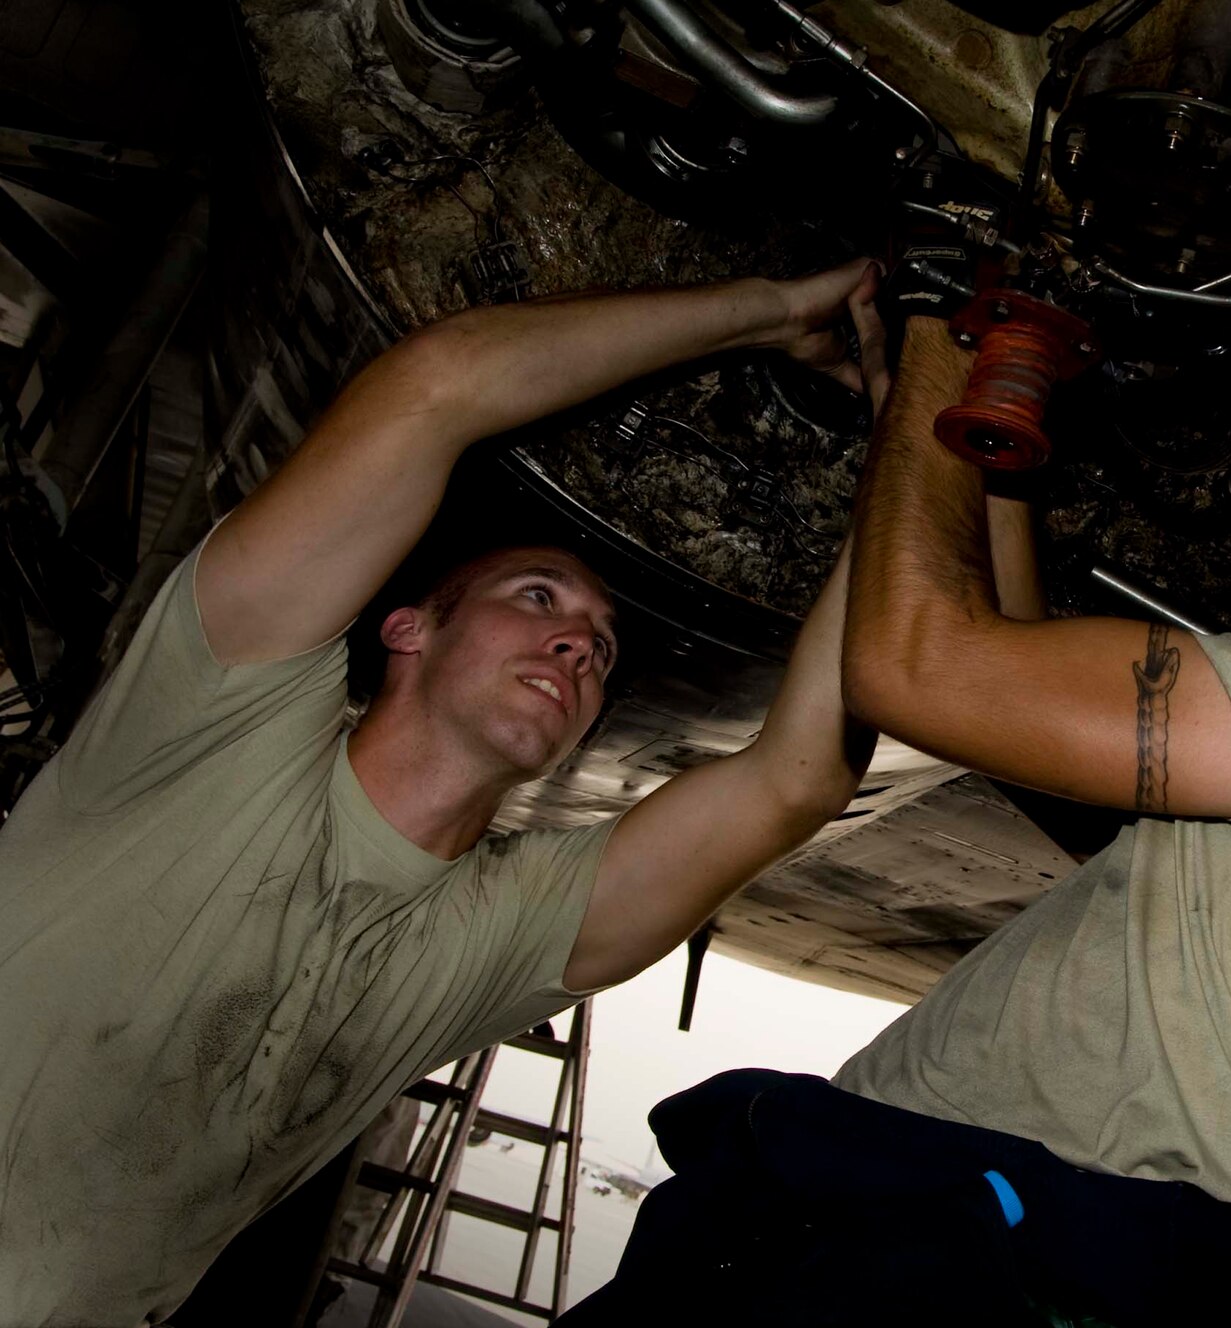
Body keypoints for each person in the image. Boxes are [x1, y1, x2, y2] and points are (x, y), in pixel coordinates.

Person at [571, 312, 1231, 1327]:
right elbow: (1042, 720)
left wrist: (947, 343)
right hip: (996, 1254)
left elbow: (922, 670)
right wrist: (998, 437)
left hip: (935, 1266)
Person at [0, 261, 895, 1327]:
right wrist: (775, 311)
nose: (578, 642)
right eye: (535, 598)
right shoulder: (211, 719)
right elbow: (434, 388)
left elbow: (796, 777)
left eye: (601, 650)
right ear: (408, 628)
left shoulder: (494, 936)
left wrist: (904, 433)